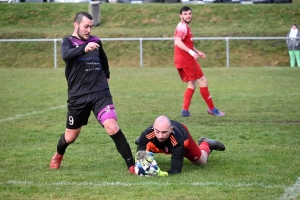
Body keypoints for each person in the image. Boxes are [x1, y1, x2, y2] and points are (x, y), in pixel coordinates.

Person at [49, 12, 135, 174]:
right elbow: (66, 55)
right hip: (78, 96)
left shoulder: (96, 41)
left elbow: (103, 60)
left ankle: (132, 166)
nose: (88, 30)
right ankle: (59, 154)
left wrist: (106, 76)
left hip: (100, 93)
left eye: (91, 27)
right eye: (86, 26)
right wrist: (83, 49)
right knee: (70, 137)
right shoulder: (67, 42)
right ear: (76, 25)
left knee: (112, 126)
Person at [174, 6, 225, 117]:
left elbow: (186, 43)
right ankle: (212, 109)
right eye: (185, 14)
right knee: (203, 81)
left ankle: (185, 111)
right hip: (186, 60)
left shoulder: (184, 27)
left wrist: (197, 51)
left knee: (191, 84)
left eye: (189, 13)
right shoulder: (182, 26)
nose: (188, 16)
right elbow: (177, 41)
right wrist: (191, 52)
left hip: (181, 60)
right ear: (180, 16)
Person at [134, 115, 225, 175]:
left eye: (164, 132)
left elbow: (176, 170)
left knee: (201, 162)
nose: (160, 135)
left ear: (171, 129)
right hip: (157, 144)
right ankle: (146, 143)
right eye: (157, 131)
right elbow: (139, 159)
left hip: (183, 141)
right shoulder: (147, 134)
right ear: (153, 128)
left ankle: (205, 143)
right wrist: (139, 169)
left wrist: (160, 174)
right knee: (144, 149)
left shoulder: (177, 139)